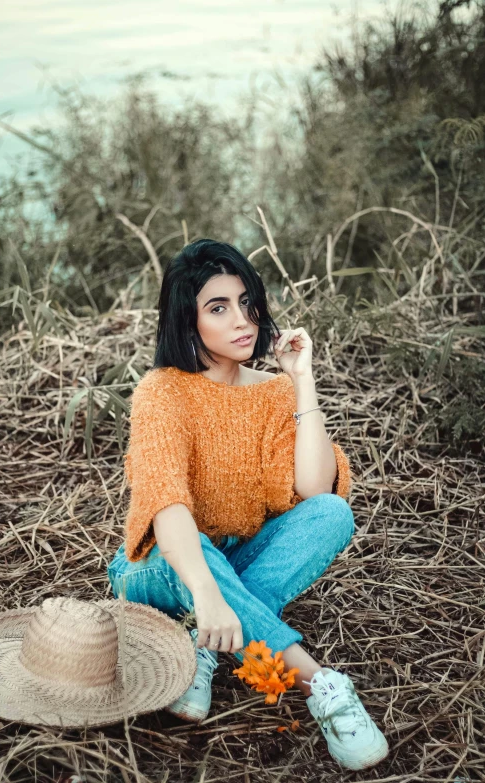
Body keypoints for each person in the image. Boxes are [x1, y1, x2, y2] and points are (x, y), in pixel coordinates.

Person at [107, 239, 389, 771]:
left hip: (233, 557)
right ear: (187, 322)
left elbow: (313, 488)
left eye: (247, 302)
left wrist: (301, 381)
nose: (243, 320)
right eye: (218, 308)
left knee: (333, 512)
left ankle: (204, 645)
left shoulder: (273, 393)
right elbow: (166, 507)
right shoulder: (162, 392)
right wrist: (207, 593)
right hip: (156, 564)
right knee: (191, 549)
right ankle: (322, 686)